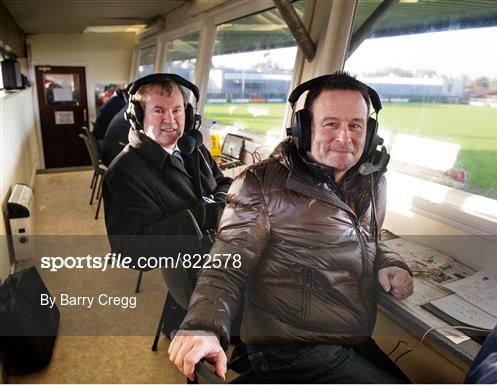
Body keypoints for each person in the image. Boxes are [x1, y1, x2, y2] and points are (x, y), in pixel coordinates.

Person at [168, 72, 414, 383]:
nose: (344, 137)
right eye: (330, 124)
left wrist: (390, 262)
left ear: (371, 131)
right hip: (289, 348)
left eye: (356, 125)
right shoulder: (260, 184)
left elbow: (367, 239)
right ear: (304, 127)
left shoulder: (370, 181)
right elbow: (226, 267)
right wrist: (204, 325)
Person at [102, 73, 231, 278]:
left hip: (222, 250)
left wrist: (219, 201)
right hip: (199, 274)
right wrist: (207, 213)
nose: (170, 120)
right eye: (159, 110)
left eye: (177, 110)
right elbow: (131, 251)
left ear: (188, 115)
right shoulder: (123, 173)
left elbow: (224, 182)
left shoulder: (193, 148)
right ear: (138, 116)